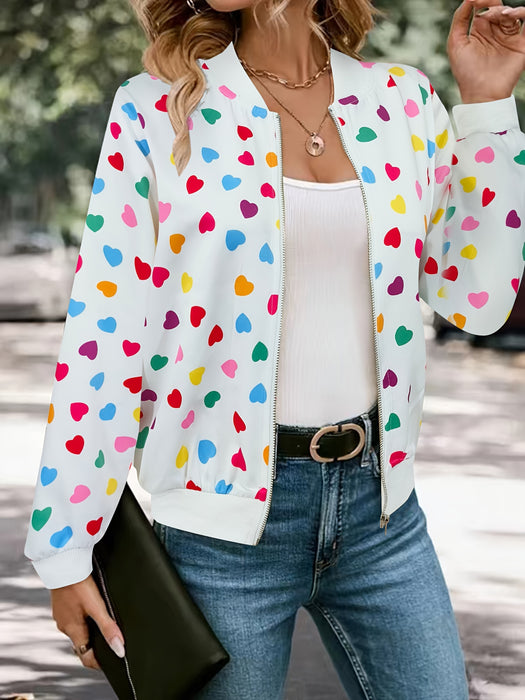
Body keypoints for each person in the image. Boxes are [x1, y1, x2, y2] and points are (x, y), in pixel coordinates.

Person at [24, 0, 525, 697]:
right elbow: (106, 332)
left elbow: (476, 298)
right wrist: (66, 546)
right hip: (216, 532)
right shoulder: (155, 109)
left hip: (382, 515)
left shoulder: (401, 101)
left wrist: (488, 105)